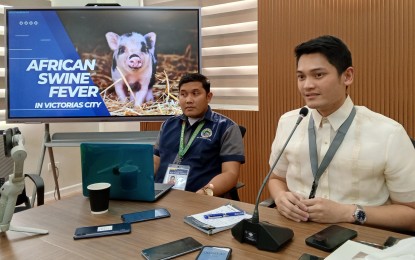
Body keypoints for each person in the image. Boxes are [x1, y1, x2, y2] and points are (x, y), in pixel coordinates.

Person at [267, 35, 415, 233]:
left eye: (318, 75)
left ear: (347, 76)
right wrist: (280, 197)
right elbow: (276, 179)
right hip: (295, 232)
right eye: (301, 77)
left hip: (363, 239)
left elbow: (411, 214)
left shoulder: (389, 133)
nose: (307, 85)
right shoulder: (289, 122)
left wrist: (348, 213)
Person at [153, 73, 245, 196]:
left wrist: (204, 193)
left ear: (208, 97)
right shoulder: (167, 125)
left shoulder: (226, 127)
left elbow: (230, 174)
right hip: (162, 196)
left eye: (195, 94)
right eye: (183, 94)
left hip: (199, 198)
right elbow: (155, 163)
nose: (188, 100)